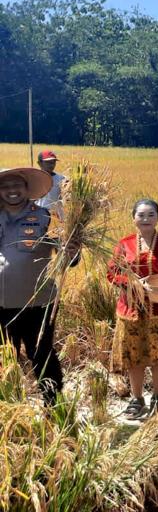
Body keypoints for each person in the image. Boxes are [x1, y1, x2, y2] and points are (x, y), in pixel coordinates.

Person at [0, 167, 78, 406]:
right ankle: (8, 410)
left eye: (17, 186)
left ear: (27, 189)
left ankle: (54, 407)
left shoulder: (47, 217)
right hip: (1, 306)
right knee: (4, 360)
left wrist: (72, 251)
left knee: (42, 356)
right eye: (5, 186)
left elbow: (68, 259)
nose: (12, 191)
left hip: (38, 303)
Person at [107, 199, 158, 419]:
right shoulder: (124, 244)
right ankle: (137, 398)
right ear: (133, 218)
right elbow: (112, 273)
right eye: (141, 215)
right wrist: (132, 283)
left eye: (151, 214)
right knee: (134, 355)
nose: (146, 219)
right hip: (130, 309)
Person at [34, 150, 65, 217]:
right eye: (48, 162)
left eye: (53, 162)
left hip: (56, 216)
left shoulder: (61, 179)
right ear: (39, 163)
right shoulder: (33, 179)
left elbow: (66, 197)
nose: (51, 165)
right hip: (39, 215)